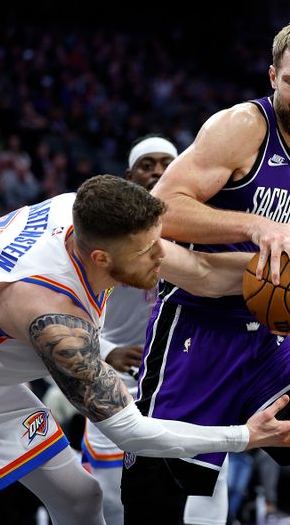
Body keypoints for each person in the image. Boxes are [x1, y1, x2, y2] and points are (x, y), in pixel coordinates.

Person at [0, 175, 290, 525]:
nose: (162, 255)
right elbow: (132, 433)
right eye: (149, 251)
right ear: (101, 259)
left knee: (80, 499)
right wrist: (243, 436)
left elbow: (203, 273)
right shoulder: (52, 315)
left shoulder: (92, 217)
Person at [128, 19, 290, 524]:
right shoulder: (242, 128)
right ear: (272, 76)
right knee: (157, 497)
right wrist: (258, 225)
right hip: (195, 329)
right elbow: (155, 210)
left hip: (266, 348)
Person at [80, 135, 231, 525]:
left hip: (186, 376)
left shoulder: (203, 230)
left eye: (168, 163)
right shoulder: (106, 237)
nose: (159, 171)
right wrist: (106, 350)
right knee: (113, 501)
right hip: (118, 380)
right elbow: (72, 309)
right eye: (148, 165)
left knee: (204, 485)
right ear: (130, 177)